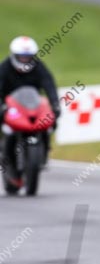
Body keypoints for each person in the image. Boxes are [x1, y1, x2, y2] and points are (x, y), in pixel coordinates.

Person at [0, 36, 60, 183]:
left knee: (51, 122)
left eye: (28, 57)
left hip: (31, 106)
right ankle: (6, 159)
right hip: (10, 107)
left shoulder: (39, 67)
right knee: (5, 128)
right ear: (14, 55)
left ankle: (44, 150)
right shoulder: (5, 67)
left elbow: (49, 84)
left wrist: (55, 104)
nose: (25, 60)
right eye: (22, 57)